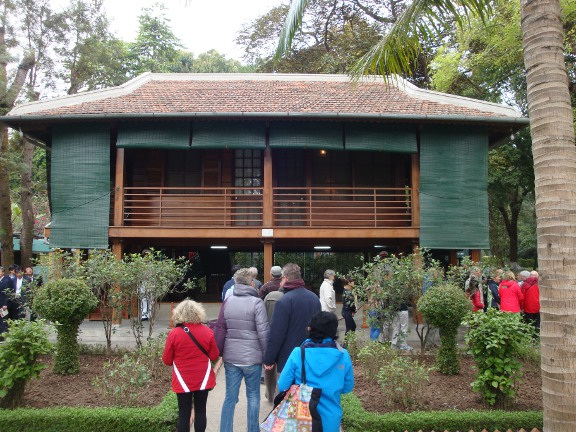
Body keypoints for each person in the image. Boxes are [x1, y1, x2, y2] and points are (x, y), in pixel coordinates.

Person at [277, 311, 354, 432]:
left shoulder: (298, 353)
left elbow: (282, 386)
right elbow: (347, 387)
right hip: (331, 420)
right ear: (334, 330)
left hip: (301, 419)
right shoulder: (343, 355)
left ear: (310, 329)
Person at [220, 268, 269, 432]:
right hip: (252, 358)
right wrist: (267, 357)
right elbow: (263, 333)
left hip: (231, 356)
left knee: (230, 397)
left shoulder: (228, 301)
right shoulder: (257, 303)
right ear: (252, 282)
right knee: (253, 396)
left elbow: (222, 328)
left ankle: (225, 429)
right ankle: (253, 429)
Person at [162, 300, 220, 432]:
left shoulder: (174, 334)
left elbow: (166, 360)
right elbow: (214, 356)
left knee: (184, 414)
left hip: (182, 378)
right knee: (200, 410)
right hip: (203, 377)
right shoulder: (207, 332)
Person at [263, 263, 321, 373]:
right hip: (311, 354)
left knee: (289, 390)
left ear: (285, 278)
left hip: (289, 359)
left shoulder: (284, 301)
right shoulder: (314, 298)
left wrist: (269, 359)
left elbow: (277, 333)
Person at [262, 285, 285, 402]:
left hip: (269, 331)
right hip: (284, 334)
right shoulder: (288, 298)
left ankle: (269, 394)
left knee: (269, 366)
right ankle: (277, 394)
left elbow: (263, 313)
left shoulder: (269, 295)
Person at [522, 270, 540, 335]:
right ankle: (536, 336)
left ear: (530, 276)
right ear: (537, 276)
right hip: (538, 306)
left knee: (528, 322)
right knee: (537, 323)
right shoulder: (540, 284)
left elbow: (522, 297)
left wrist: (522, 307)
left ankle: (529, 336)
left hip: (528, 307)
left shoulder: (525, 284)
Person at [0, 266, 14, 339]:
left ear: (3, 272)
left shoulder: (6, 280)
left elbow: (8, 293)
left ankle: (2, 336)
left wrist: (5, 304)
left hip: (3, 304)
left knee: (3, 320)